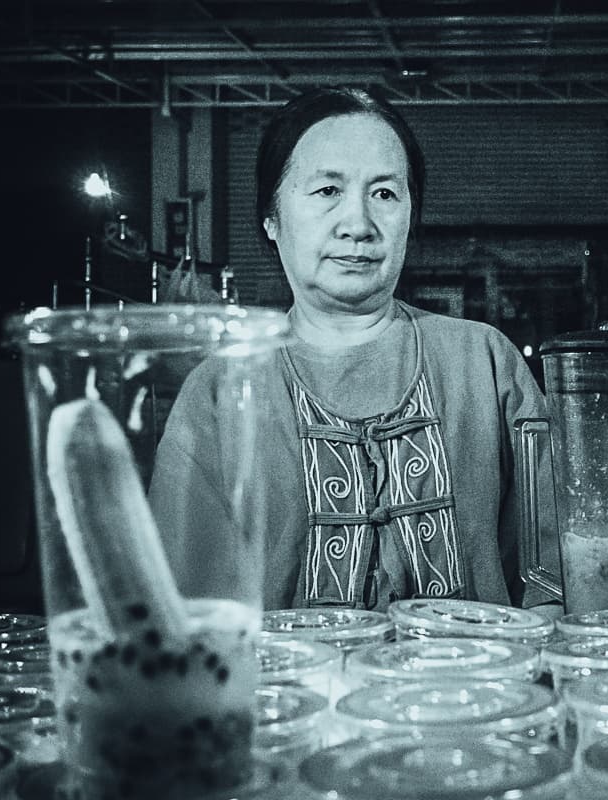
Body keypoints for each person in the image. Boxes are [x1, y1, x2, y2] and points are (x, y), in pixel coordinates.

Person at [149, 86, 555, 612]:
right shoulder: (222, 389)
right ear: (272, 219)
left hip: (473, 690)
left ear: (411, 215)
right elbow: (175, 608)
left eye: (384, 194)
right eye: (326, 191)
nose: (358, 225)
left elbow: (554, 579)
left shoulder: (484, 363)